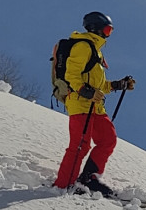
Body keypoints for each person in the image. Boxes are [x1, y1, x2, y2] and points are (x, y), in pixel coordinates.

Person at [52, 11, 134, 196]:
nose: (108, 34)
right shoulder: (82, 46)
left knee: (108, 139)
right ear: (96, 28)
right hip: (80, 103)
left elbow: (99, 85)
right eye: (107, 29)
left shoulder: (96, 51)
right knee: (80, 144)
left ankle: (89, 178)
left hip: (95, 106)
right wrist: (85, 91)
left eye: (110, 30)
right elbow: (71, 75)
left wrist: (117, 85)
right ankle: (63, 185)